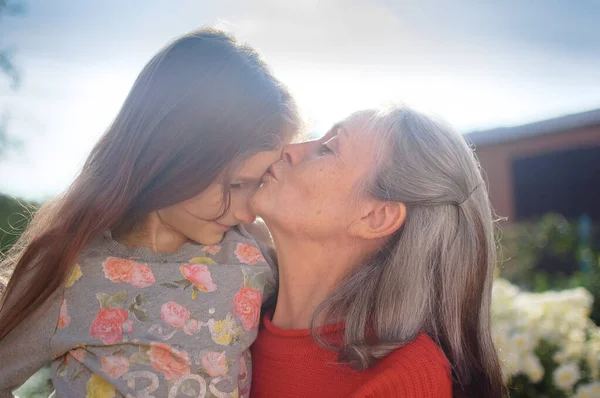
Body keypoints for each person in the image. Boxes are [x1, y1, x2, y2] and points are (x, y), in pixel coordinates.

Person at [0, 28, 299, 398]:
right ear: (169, 154)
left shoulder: (252, 258)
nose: (246, 211)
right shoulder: (70, 269)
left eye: (258, 186)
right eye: (236, 185)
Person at [249, 106, 506, 397]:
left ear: (376, 217)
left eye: (327, 149)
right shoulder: (221, 310)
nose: (290, 150)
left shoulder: (402, 377)